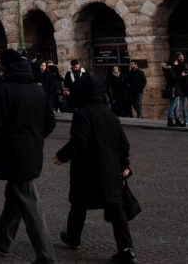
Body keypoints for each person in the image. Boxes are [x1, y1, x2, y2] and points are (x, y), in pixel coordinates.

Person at [0, 49, 57, 264]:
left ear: (5, 67)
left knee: (30, 205)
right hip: (32, 152)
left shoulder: (2, 90)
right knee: (14, 197)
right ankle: (3, 239)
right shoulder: (37, 90)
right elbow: (50, 123)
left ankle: (46, 256)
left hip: (11, 155)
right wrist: (35, 139)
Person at [54, 74, 135, 263]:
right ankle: (126, 248)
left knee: (79, 204)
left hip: (88, 170)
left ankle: (74, 237)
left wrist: (61, 156)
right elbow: (124, 144)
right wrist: (125, 166)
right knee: (116, 210)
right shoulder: (111, 115)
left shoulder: (82, 114)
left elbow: (79, 143)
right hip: (110, 171)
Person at [162, 58, 179, 127]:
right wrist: (181, 75)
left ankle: (175, 120)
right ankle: (170, 121)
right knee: (172, 105)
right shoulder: (170, 70)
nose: (176, 62)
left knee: (174, 105)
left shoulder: (168, 69)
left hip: (172, 88)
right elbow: (174, 79)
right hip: (173, 89)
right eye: (175, 61)